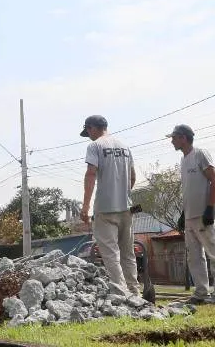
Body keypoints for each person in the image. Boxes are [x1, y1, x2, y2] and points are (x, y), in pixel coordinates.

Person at [169, 124, 215, 304]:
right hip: (190, 217)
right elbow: (190, 189)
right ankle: (201, 293)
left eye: (174, 137)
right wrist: (183, 214)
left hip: (204, 215)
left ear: (183, 138)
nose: (172, 141)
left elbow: (214, 180)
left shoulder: (200, 154)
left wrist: (210, 207)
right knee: (194, 256)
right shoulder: (183, 160)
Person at [79, 114, 139, 296]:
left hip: (105, 210)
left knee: (111, 253)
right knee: (128, 253)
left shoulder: (95, 146)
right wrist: (123, 194)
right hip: (126, 209)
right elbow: (133, 176)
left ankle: (122, 294)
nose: (88, 135)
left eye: (88, 131)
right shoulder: (125, 147)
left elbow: (91, 174)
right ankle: (134, 292)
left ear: (92, 128)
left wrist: (85, 206)